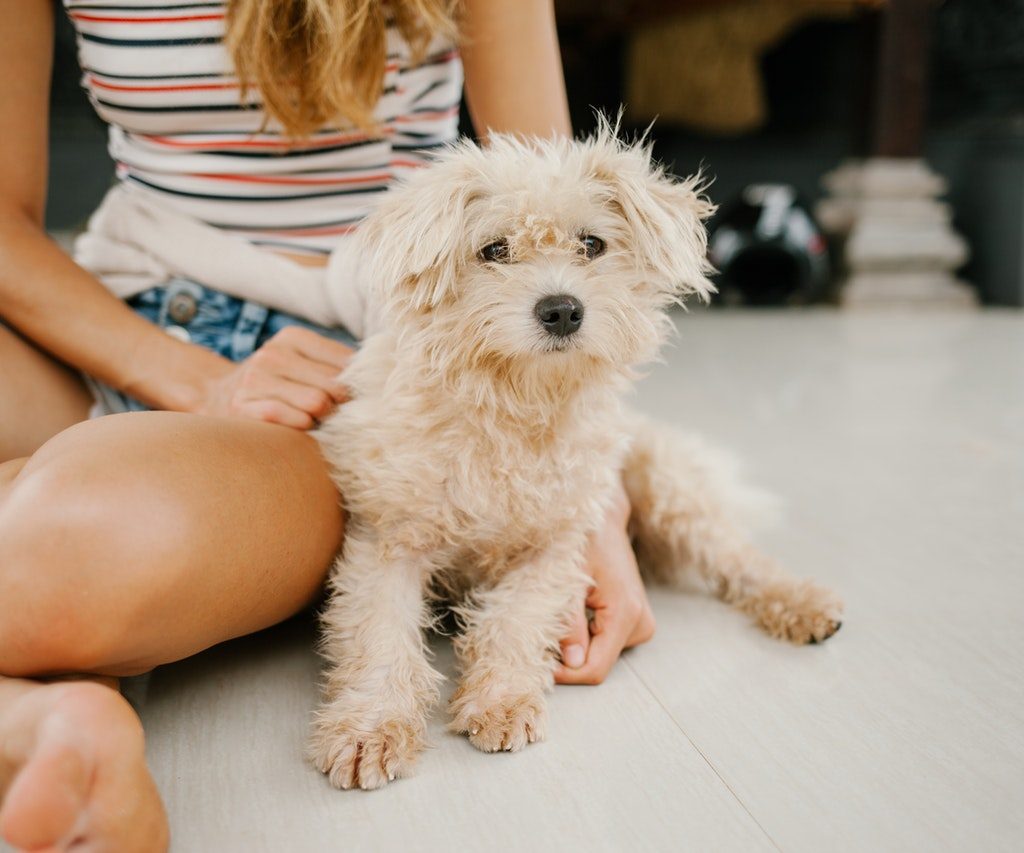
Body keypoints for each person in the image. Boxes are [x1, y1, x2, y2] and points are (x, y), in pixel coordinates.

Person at [0, 1, 656, 849]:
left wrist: (580, 500)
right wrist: (191, 377)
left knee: (68, 546)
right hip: (118, 315)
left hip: (361, 379)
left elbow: (561, 219)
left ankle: (38, 723)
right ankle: (38, 726)